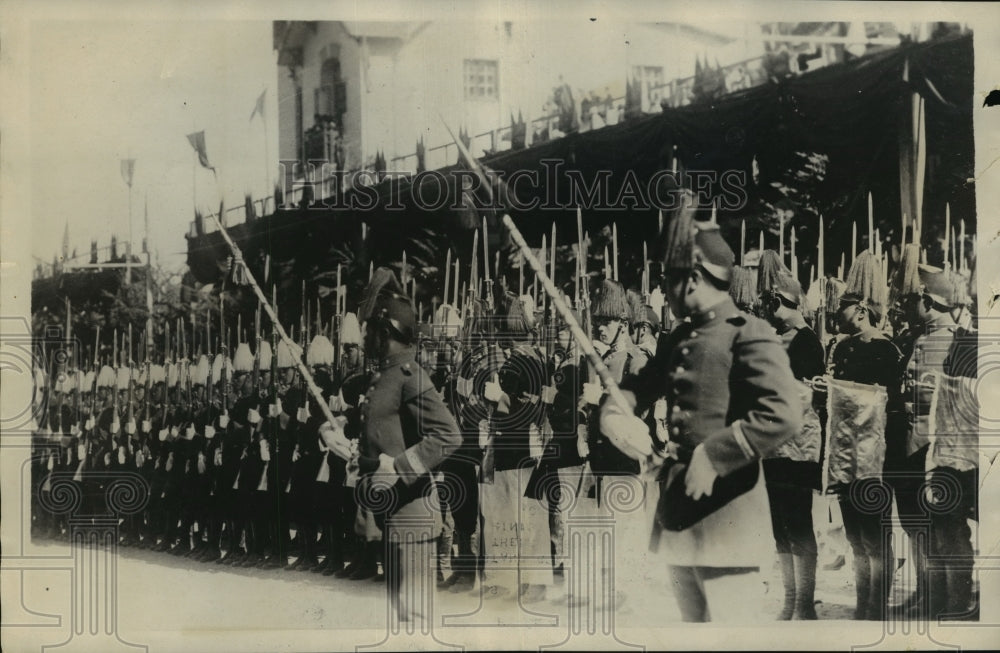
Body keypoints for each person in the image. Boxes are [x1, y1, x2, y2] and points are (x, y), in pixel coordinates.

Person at [600, 203, 801, 623]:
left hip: (729, 518)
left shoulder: (748, 332)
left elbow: (783, 413)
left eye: (667, 278)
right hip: (678, 517)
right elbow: (634, 391)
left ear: (691, 278)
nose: (664, 289)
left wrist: (714, 455)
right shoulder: (679, 339)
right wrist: (616, 417)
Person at [351, 289, 462, 622]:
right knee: (400, 617)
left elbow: (449, 435)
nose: (365, 338)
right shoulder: (383, 375)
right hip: (389, 512)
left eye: (369, 330)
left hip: (411, 515)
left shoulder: (410, 376)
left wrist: (399, 467)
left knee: (415, 621)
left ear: (385, 332)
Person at [828, 251, 902, 620]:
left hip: (873, 458)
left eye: (840, 306)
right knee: (855, 536)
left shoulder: (886, 350)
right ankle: (863, 603)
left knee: (874, 536)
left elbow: (891, 410)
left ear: (859, 310)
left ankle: (877, 607)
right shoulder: (841, 347)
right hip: (844, 455)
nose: (834, 314)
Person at [902, 264, 978, 619]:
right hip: (917, 444)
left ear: (927, 300)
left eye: (913, 299)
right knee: (924, 525)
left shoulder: (956, 339)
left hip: (943, 446)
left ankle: (954, 599)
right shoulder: (921, 337)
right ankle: (929, 593)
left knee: (947, 526)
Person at [759, 271, 825, 620]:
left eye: (771, 302)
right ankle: (790, 598)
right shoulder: (774, 339)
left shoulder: (807, 341)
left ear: (785, 302)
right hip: (772, 443)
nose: (767, 309)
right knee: (779, 524)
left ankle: (804, 603)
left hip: (798, 443)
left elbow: (807, 392)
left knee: (797, 521)